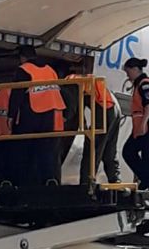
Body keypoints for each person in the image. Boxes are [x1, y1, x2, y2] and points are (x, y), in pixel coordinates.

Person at [8, 46, 65, 186]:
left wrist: (11, 115)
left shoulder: (24, 69)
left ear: (22, 57)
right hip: (50, 114)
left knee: (24, 147)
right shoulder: (50, 70)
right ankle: (49, 179)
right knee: (46, 149)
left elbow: (17, 94)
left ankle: (24, 182)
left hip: (32, 112)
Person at [62, 71, 123, 185]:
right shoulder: (83, 79)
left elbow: (72, 107)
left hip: (104, 109)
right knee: (109, 148)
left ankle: (87, 183)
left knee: (92, 148)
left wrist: (64, 118)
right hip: (114, 107)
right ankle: (115, 179)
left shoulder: (70, 82)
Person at [121, 57, 149, 191]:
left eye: (128, 72)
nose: (127, 75)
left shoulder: (145, 84)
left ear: (135, 69)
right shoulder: (138, 84)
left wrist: (143, 124)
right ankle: (146, 180)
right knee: (131, 152)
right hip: (142, 127)